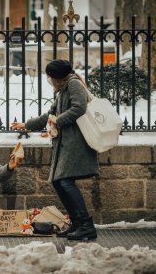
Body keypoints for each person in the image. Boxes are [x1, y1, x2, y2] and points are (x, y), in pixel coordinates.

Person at [12, 59, 99, 241]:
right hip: (65, 143)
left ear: (57, 76)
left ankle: (86, 225)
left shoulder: (73, 84)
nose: (49, 80)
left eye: (50, 76)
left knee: (65, 182)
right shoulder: (62, 89)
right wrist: (26, 124)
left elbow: (79, 107)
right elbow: (49, 115)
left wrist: (58, 121)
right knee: (59, 182)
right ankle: (76, 223)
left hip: (75, 143)